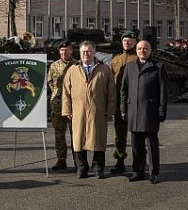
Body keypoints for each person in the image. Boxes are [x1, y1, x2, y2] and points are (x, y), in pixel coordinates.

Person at [62, 41, 116, 179]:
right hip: (78, 111)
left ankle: (98, 168)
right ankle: (82, 168)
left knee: (98, 139)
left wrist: (110, 109)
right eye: (83, 52)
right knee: (78, 141)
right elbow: (66, 92)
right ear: (79, 53)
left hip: (97, 110)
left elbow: (111, 91)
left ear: (94, 52)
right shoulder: (72, 69)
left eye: (89, 51)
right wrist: (67, 109)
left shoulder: (104, 69)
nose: (86, 54)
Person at [120, 40, 168, 184]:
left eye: (145, 48)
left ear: (150, 50)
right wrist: (123, 110)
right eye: (140, 48)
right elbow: (123, 91)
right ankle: (138, 171)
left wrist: (161, 111)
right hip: (134, 112)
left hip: (150, 112)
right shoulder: (129, 67)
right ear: (136, 50)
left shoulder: (158, 67)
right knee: (136, 145)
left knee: (152, 146)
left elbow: (163, 92)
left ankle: (154, 172)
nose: (142, 51)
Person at [109, 30, 137, 174]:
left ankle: (139, 163)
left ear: (135, 42)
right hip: (118, 103)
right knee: (119, 135)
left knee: (137, 134)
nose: (127, 42)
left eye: (130, 40)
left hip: (134, 103)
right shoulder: (115, 60)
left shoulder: (138, 58)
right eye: (125, 40)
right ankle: (120, 161)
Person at [47, 40, 76, 171]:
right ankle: (61, 159)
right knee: (59, 133)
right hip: (57, 103)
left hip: (73, 103)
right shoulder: (54, 66)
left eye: (67, 50)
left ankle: (78, 160)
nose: (64, 52)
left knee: (75, 133)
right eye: (62, 50)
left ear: (71, 51)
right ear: (59, 52)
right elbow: (50, 83)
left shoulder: (76, 65)